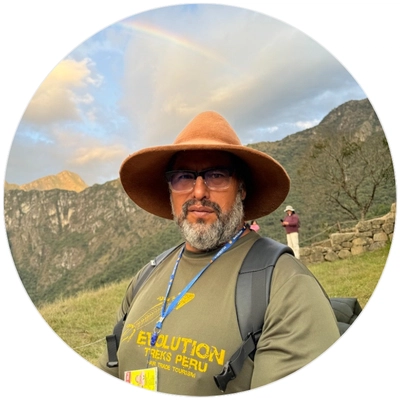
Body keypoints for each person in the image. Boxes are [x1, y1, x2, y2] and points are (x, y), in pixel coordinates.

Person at [98, 111, 340, 395]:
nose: (199, 191)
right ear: (170, 190)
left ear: (242, 189)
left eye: (217, 175)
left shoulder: (285, 285)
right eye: (183, 177)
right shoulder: (147, 275)